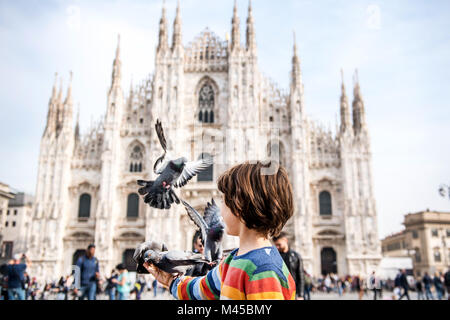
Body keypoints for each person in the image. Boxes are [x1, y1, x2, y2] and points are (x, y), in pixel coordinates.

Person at [144, 161, 296, 300]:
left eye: (223, 201)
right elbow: (203, 289)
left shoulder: (263, 271)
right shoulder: (234, 260)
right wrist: (170, 281)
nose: (220, 209)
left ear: (239, 206)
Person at [272, 232, 305, 300]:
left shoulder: (296, 256)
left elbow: (301, 277)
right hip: (279, 291)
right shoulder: (274, 256)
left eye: (279, 244)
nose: (277, 247)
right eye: (276, 245)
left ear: (285, 240)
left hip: (292, 291)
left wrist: (301, 295)